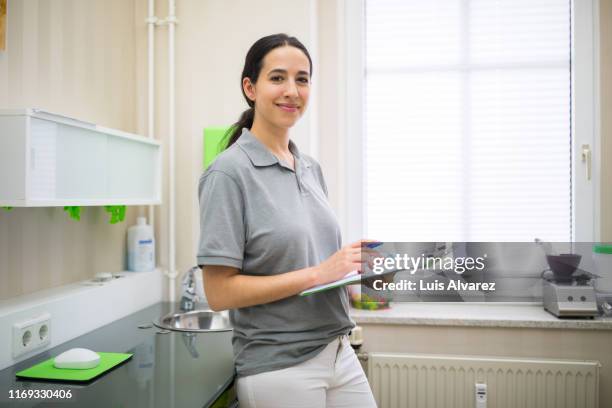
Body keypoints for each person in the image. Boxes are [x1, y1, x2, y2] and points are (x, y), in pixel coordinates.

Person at [197, 33, 377, 408]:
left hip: (338, 349)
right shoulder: (228, 173)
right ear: (251, 87)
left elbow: (310, 260)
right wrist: (320, 274)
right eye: (277, 78)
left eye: (302, 79)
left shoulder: (310, 167)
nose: (292, 90)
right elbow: (219, 293)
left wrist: (353, 272)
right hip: (280, 367)